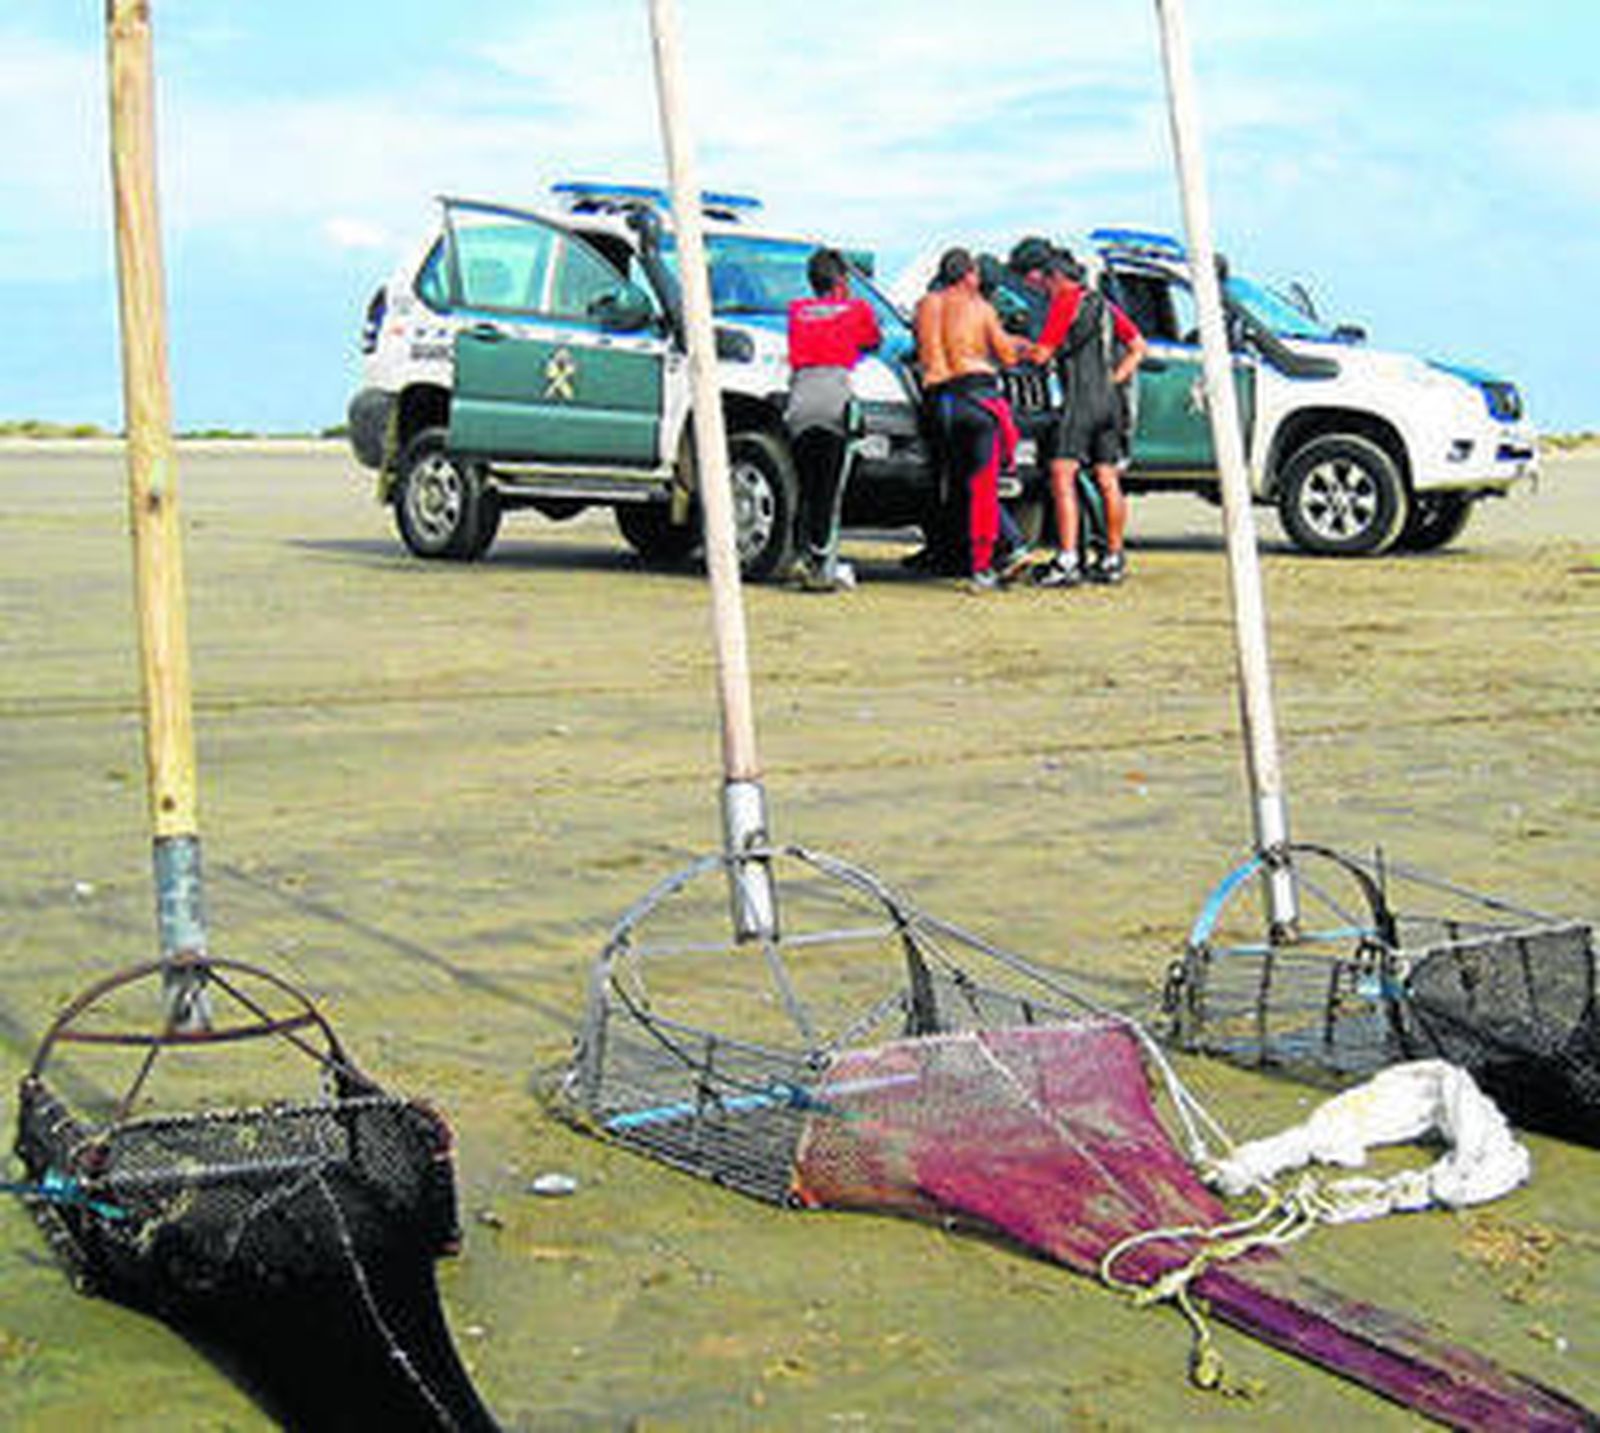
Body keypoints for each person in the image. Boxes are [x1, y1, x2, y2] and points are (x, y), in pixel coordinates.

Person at [1015, 243, 1146, 587]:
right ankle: (1113, 558)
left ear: (1055, 278)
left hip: (1080, 401)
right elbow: (1138, 347)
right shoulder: (1104, 304)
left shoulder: (1065, 302)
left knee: (1062, 474)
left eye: (1044, 283)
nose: (1043, 290)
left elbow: (1043, 355)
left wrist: (1017, 346)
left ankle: (1068, 559)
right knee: (1107, 478)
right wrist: (1114, 379)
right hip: (1110, 402)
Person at [912, 247, 1026, 590]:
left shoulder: (925, 305)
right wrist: (1014, 345)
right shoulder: (981, 308)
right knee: (983, 485)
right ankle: (983, 566)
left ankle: (951, 551)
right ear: (968, 276)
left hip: (938, 402)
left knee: (951, 482)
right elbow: (1007, 357)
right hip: (976, 397)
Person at [785, 247, 882, 591]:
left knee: (806, 487)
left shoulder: (797, 311)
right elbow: (873, 340)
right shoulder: (857, 309)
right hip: (833, 398)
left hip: (799, 398)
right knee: (830, 490)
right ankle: (823, 562)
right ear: (842, 280)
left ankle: (801, 556)